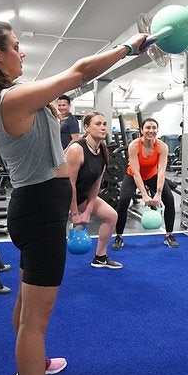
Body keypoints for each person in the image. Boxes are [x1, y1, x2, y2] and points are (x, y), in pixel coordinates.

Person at [0, 13, 146, 375]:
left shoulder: (6, 95)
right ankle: (30, 374)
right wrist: (128, 47)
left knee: (27, 305)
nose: (22, 53)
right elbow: (79, 73)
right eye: (15, 46)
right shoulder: (11, 98)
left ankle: (33, 364)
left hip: (37, 208)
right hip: (40, 211)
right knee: (34, 321)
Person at [66, 111, 121, 269]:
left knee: (111, 216)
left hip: (81, 195)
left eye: (104, 124)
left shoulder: (103, 150)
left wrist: (88, 211)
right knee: (50, 236)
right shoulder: (77, 149)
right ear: (86, 128)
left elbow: (96, 184)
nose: (103, 127)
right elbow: (69, 185)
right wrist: (75, 214)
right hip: (59, 196)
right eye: (98, 124)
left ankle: (100, 257)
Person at [112, 118, 177, 250]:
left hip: (153, 175)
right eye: (147, 128)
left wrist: (158, 194)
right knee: (124, 201)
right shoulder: (134, 146)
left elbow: (162, 172)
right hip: (132, 175)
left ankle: (169, 235)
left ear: (157, 130)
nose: (151, 131)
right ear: (141, 130)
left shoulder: (162, 147)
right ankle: (119, 236)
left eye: (154, 128)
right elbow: (136, 173)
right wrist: (144, 195)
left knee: (169, 199)